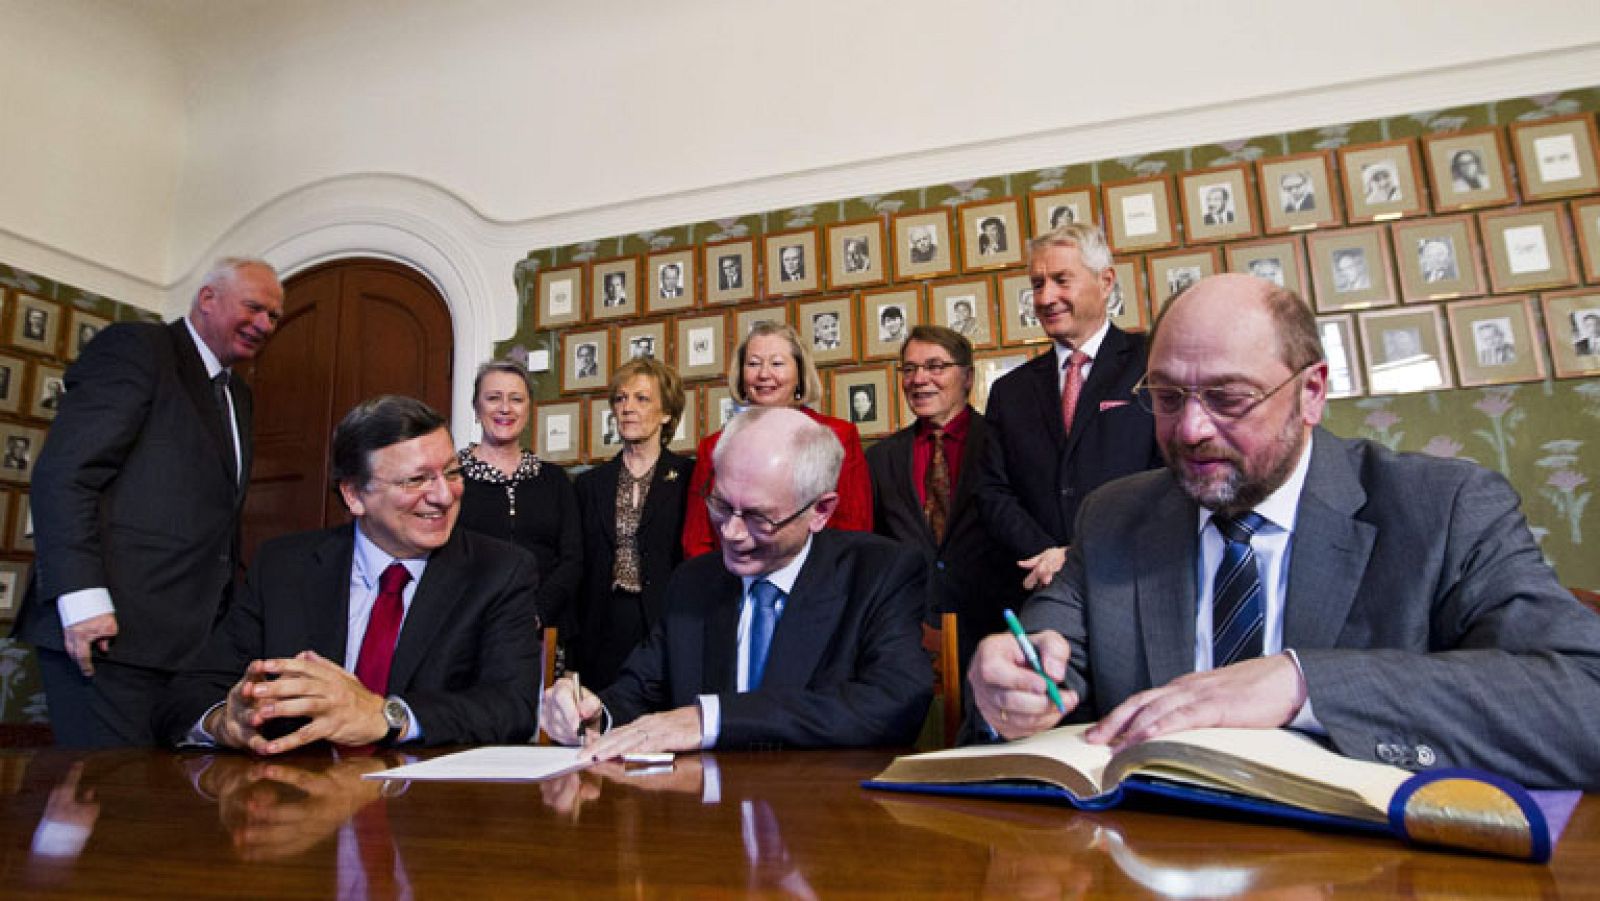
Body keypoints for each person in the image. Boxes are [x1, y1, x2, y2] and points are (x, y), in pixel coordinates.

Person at [969, 273, 1600, 789]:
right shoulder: (1115, 517)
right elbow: (1050, 653)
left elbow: (1582, 704)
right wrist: (1012, 685)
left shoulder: (1445, 508)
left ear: (1312, 393)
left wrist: (1303, 684)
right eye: (1166, 397)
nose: (1189, 430)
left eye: (1229, 397)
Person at [155, 395, 543, 752]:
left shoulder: (500, 571)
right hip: (299, 805)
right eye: (416, 479)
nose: (444, 495)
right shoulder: (284, 568)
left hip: (425, 810)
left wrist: (385, 715)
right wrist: (225, 721)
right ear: (355, 495)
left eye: (452, 472)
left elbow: (510, 707)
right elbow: (186, 695)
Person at [543, 406, 930, 757]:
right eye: (721, 505)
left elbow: (895, 703)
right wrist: (593, 716)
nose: (731, 532)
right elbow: (637, 691)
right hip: (704, 815)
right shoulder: (693, 582)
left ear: (821, 511)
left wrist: (713, 719)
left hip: (823, 816)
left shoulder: (879, 573)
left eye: (759, 517)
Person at [14, 258, 283, 747]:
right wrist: (81, 599)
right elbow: (65, 474)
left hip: (187, 647)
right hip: (107, 632)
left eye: (274, 317)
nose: (264, 324)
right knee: (104, 795)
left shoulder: (236, 394)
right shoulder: (138, 350)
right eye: (254, 307)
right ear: (207, 299)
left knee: (157, 805)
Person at [978, 223, 1162, 595]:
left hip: (1137, 577)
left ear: (1106, 282)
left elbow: (1169, 476)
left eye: (1062, 280)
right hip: (1042, 584)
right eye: (1037, 284)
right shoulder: (1009, 392)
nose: (1046, 298)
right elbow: (992, 492)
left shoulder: (1153, 363)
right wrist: (1047, 556)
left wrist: (1080, 553)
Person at [868, 326, 1015, 670]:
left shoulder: (1003, 444)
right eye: (909, 369)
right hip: (909, 634)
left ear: (967, 377)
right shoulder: (879, 458)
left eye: (935, 367)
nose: (919, 379)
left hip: (996, 628)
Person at [681, 322, 873, 557]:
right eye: (753, 364)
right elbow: (697, 540)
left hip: (820, 582)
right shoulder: (714, 446)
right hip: (735, 584)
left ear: (800, 374)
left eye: (777, 363)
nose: (763, 374)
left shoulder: (839, 436)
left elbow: (854, 529)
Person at [574, 358, 694, 692]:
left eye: (642, 399)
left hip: (666, 619)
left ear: (667, 413)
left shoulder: (688, 477)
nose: (628, 408)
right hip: (603, 622)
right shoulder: (590, 484)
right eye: (621, 398)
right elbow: (578, 564)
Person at [456, 360, 582, 651]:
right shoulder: (451, 478)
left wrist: (537, 613)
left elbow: (573, 559)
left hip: (545, 633)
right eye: (493, 398)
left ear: (529, 409)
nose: (505, 408)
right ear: (476, 408)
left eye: (516, 399)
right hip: (468, 629)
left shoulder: (554, 479)